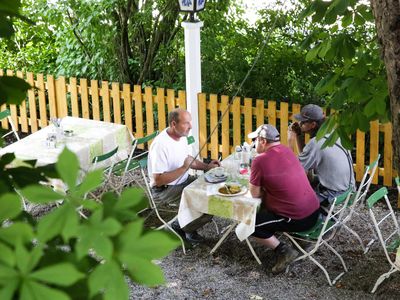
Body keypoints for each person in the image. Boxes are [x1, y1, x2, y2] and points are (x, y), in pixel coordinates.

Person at [248, 124, 320, 274]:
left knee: (250, 223)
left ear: (262, 141)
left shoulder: (259, 160)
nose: (253, 144)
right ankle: (300, 241)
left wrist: (263, 189)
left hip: (298, 218)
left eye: (255, 140)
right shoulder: (286, 150)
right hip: (314, 211)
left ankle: (284, 251)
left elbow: (254, 195)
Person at [148, 108, 220, 243]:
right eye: (186, 123)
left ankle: (186, 226)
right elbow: (158, 180)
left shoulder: (181, 137)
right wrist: (184, 168)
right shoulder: (160, 145)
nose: (190, 126)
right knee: (207, 202)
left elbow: (187, 159)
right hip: (165, 190)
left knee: (214, 190)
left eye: (190, 122)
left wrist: (207, 167)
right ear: (173, 124)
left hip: (184, 181)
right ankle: (178, 227)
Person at [288, 104, 355, 206]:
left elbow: (292, 168)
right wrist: (298, 136)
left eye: (303, 122)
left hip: (334, 195)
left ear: (313, 124)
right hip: (349, 189)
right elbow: (306, 159)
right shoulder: (333, 134)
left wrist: (290, 140)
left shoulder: (315, 143)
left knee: (293, 198)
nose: (299, 123)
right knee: (308, 179)